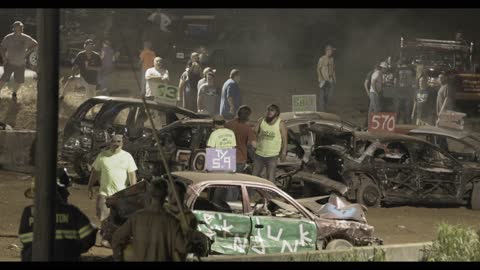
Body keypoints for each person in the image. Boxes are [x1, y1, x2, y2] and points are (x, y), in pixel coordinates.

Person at [19, 168, 97, 261]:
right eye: (65, 191)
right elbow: (89, 235)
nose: (68, 194)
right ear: (58, 192)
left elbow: (25, 239)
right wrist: (73, 251)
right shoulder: (71, 211)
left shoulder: (28, 212)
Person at [112, 178, 189, 261]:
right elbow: (183, 248)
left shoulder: (136, 217)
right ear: (166, 194)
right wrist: (191, 237)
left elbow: (117, 237)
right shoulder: (172, 222)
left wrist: (118, 258)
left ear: (150, 193)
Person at [87, 134, 138, 247]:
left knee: (118, 219)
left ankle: (115, 239)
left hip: (121, 194)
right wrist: (89, 186)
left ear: (122, 143)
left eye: (119, 142)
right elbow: (95, 172)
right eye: (114, 141)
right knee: (104, 218)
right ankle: (105, 239)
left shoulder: (127, 157)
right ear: (110, 142)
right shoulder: (102, 156)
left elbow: (132, 175)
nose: (116, 144)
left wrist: (133, 191)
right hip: (104, 193)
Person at [0, 21, 38, 101]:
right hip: (10, 62)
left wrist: (28, 51)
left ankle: (14, 94)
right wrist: (3, 57)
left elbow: (35, 43)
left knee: (19, 81)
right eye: (19, 27)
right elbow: (2, 47)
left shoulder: (25, 37)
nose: (21, 28)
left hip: (21, 63)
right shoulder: (8, 37)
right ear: (14, 28)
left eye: (22, 27)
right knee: (4, 79)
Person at [253, 104, 288, 182]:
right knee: (254, 177)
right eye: (268, 110)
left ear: (276, 112)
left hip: (272, 155)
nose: (269, 112)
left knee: (270, 178)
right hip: (259, 153)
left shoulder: (280, 123)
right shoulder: (261, 120)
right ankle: (251, 194)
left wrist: (284, 152)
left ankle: (270, 194)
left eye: (272, 110)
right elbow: (254, 132)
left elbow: (285, 139)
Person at [225, 105, 257, 173]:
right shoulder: (247, 128)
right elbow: (254, 144)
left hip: (227, 157)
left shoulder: (228, 124)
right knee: (237, 180)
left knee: (226, 179)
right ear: (248, 116)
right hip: (240, 158)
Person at [316, 44, 336, 112]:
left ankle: (324, 107)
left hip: (330, 80)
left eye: (332, 51)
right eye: (331, 50)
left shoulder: (332, 59)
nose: (332, 52)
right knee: (322, 95)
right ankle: (322, 110)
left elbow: (333, 69)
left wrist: (334, 79)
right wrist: (321, 79)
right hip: (323, 80)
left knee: (328, 95)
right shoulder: (322, 59)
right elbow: (318, 69)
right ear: (327, 51)